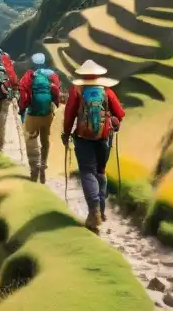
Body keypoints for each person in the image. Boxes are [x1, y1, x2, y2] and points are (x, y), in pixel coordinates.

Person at [61, 59, 125, 234]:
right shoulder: (106, 91)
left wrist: (66, 134)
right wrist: (112, 120)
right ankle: (102, 211)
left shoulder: (77, 90)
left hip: (83, 137)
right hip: (104, 137)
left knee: (87, 172)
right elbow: (120, 113)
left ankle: (94, 211)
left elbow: (69, 115)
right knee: (100, 172)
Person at [17, 52, 61, 183]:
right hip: (47, 114)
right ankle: (43, 165)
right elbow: (56, 91)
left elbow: (24, 95)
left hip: (33, 113)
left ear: (33, 63)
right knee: (45, 140)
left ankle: (34, 167)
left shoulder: (29, 75)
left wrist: (22, 108)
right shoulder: (52, 75)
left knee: (30, 139)